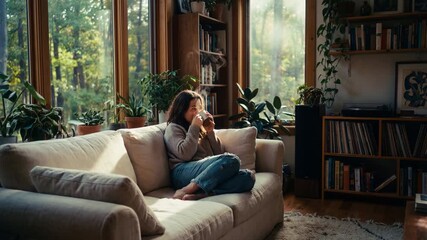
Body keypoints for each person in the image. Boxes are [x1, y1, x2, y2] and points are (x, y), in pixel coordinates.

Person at [164, 90, 255, 200]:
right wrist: (194, 127)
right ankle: (187, 189)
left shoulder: (200, 129)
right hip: (181, 172)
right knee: (232, 160)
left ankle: (202, 194)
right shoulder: (173, 128)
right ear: (181, 110)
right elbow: (184, 155)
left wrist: (210, 132)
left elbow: (219, 154)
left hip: (204, 172)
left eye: (199, 108)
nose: (197, 112)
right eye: (193, 108)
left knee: (248, 177)